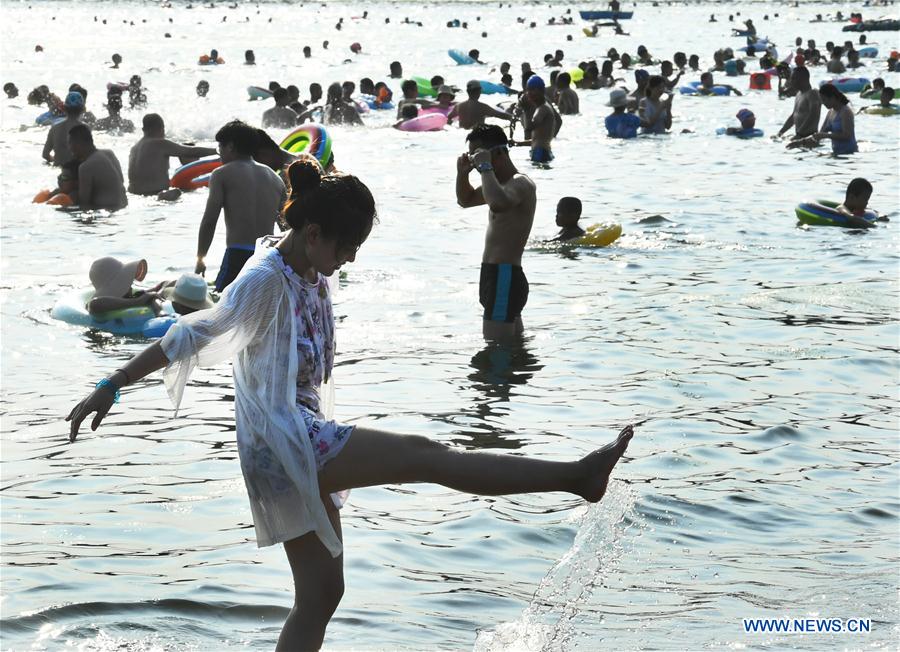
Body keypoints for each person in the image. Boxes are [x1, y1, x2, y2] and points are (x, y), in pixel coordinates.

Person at [67, 157, 635, 651]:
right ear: (313, 232)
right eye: (347, 247)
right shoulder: (264, 279)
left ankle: (576, 478)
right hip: (282, 439)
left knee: (321, 594)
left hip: (297, 431)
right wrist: (111, 384)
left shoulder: (308, 269)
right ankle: (576, 477)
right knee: (426, 455)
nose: (351, 260)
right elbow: (190, 334)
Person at [455, 125, 537, 340]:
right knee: (513, 345)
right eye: (472, 155)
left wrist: (485, 167)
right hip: (495, 275)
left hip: (505, 275)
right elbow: (466, 200)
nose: (474, 160)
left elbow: (499, 203)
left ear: (499, 152)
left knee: (495, 348)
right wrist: (462, 174)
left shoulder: (520, 183)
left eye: (478, 154)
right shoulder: (496, 184)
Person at [195, 120, 287, 292]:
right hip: (267, 258)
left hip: (237, 255)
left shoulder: (221, 174)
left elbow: (209, 220)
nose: (220, 153)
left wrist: (201, 258)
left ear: (230, 146)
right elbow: (286, 228)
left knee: (222, 306)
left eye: (220, 148)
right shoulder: (275, 179)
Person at [128, 113, 217, 199]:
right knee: (177, 192)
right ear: (161, 128)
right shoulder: (159, 143)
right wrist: (217, 150)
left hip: (134, 194)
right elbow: (190, 151)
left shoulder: (134, 148)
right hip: (157, 194)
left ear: (143, 129)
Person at [68, 124, 128, 210]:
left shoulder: (85, 167)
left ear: (78, 144)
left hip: (107, 212)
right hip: (123, 208)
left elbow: (84, 203)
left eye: (70, 143)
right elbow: (121, 181)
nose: (69, 148)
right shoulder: (109, 154)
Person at [85, 257, 161, 316]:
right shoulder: (97, 305)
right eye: (124, 280)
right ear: (116, 285)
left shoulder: (126, 296)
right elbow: (95, 305)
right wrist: (139, 301)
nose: (130, 285)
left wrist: (155, 290)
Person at [776, 67, 821, 140]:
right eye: (791, 78)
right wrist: (780, 133)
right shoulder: (798, 94)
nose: (791, 81)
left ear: (804, 79)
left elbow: (813, 115)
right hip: (799, 136)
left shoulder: (813, 93)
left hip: (810, 138)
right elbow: (793, 116)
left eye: (794, 78)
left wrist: (799, 134)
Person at [42, 91, 84, 166]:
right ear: (83, 109)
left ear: (64, 108)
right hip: (77, 170)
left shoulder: (54, 128)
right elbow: (90, 155)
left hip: (59, 170)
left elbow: (45, 154)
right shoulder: (85, 128)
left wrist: (55, 159)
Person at [447, 80, 513, 129]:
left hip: (461, 133)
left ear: (467, 91)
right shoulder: (483, 107)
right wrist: (514, 117)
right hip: (477, 135)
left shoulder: (458, 106)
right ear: (479, 91)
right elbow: (501, 115)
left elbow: (448, 118)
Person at [814, 83, 858, 155]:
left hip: (849, 153)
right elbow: (821, 133)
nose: (822, 103)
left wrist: (826, 135)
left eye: (824, 100)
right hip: (836, 152)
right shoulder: (830, 113)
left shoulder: (846, 112)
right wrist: (801, 142)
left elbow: (847, 135)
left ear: (832, 97)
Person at [521, 76, 557, 163]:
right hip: (542, 151)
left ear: (542, 91)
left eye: (533, 89)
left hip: (540, 153)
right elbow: (537, 139)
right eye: (528, 90)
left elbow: (529, 128)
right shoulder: (541, 108)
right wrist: (517, 143)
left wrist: (526, 110)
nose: (529, 93)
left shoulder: (542, 109)